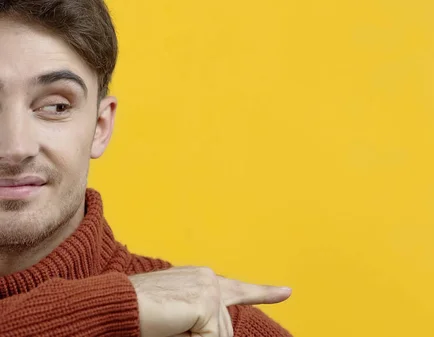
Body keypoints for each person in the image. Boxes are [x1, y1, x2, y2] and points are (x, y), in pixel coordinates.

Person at [0, 0, 293, 336]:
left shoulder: (217, 325)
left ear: (100, 126)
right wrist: (110, 308)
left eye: (55, 106)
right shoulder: (127, 307)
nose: (15, 147)